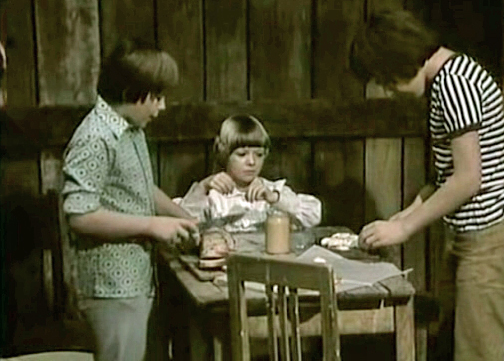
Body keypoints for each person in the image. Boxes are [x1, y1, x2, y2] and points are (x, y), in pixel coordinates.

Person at [349, 10, 504, 361]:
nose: (388, 90)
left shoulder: (455, 84)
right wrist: (406, 214)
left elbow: (468, 179)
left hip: (488, 236)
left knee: (477, 352)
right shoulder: (446, 80)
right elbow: (445, 176)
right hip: (466, 234)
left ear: (399, 60)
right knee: (449, 340)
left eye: (387, 80)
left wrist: (404, 228)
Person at [61, 38, 197, 361]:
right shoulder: (96, 137)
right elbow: (79, 215)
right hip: (112, 288)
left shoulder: (130, 129)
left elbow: (142, 187)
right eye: (157, 97)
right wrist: (153, 225)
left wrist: (185, 218)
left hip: (137, 280)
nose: (161, 107)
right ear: (129, 94)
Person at [178, 114, 321, 232]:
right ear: (225, 154)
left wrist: (274, 198)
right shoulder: (212, 195)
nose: (252, 162)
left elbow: (313, 215)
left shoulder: (271, 191)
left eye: (259, 155)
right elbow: (181, 220)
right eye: (242, 154)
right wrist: (203, 187)